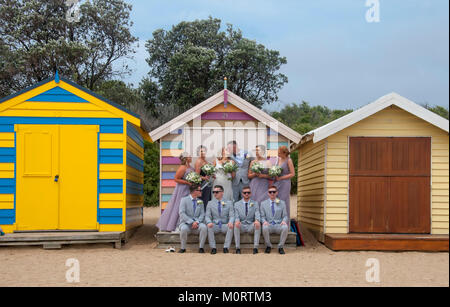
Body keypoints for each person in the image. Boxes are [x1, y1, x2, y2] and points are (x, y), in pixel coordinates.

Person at [156, 152, 194, 232]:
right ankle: (175, 225)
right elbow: (176, 179)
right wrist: (187, 182)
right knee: (179, 205)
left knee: (187, 206)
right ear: (186, 158)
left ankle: (185, 223)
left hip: (189, 189)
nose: (191, 158)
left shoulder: (190, 167)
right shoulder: (182, 168)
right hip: (182, 189)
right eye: (190, 156)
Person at [178, 185, 208, 253]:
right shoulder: (184, 200)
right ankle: (183, 248)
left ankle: (201, 247)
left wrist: (197, 222)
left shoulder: (200, 201)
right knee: (183, 229)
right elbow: (182, 213)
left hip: (197, 223)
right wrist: (191, 222)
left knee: (204, 227)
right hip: (186, 223)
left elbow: (202, 214)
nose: (201, 191)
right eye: (200, 190)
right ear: (194, 191)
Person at [206, 185, 234, 254]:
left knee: (231, 227)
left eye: (217, 192)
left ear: (222, 192)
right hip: (215, 224)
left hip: (225, 224)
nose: (215, 193)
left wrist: (230, 222)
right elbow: (207, 216)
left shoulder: (229, 203)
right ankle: (213, 248)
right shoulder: (210, 203)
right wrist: (209, 222)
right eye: (214, 192)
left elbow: (232, 215)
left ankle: (226, 247)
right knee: (209, 227)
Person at [260, 186, 289, 255]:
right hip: (269, 225)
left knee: (285, 227)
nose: (272, 193)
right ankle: (268, 246)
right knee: (264, 227)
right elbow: (262, 216)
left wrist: (284, 221)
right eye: (270, 192)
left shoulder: (282, 203)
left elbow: (285, 215)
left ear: (277, 193)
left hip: (278, 224)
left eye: (274, 192)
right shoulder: (263, 204)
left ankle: (280, 247)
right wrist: (264, 221)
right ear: (268, 193)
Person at [233, 186, 261, 254]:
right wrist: (237, 221)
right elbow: (236, 215)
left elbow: (257, 214)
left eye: (248, 192)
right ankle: (237, 248)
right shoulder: (236, 204)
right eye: (245, 193)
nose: (246, 194)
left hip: (250, 225)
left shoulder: (255, 203)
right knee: (236, 225)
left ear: (251, 194)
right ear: (242, 194)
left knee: (258, 225)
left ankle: (255, 247)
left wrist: (257, 220)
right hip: (241, 225)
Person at [273, 146, 295, 221]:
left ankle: (284, 222)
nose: (278, 154)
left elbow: (292, 174)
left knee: (283, 201)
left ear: (284, 153)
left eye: (279, 152)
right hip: (277, 182)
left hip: (285, 183)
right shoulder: (278, 159)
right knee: (276, 200)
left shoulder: (289, 160)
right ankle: (276, 220)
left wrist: (281, 178)